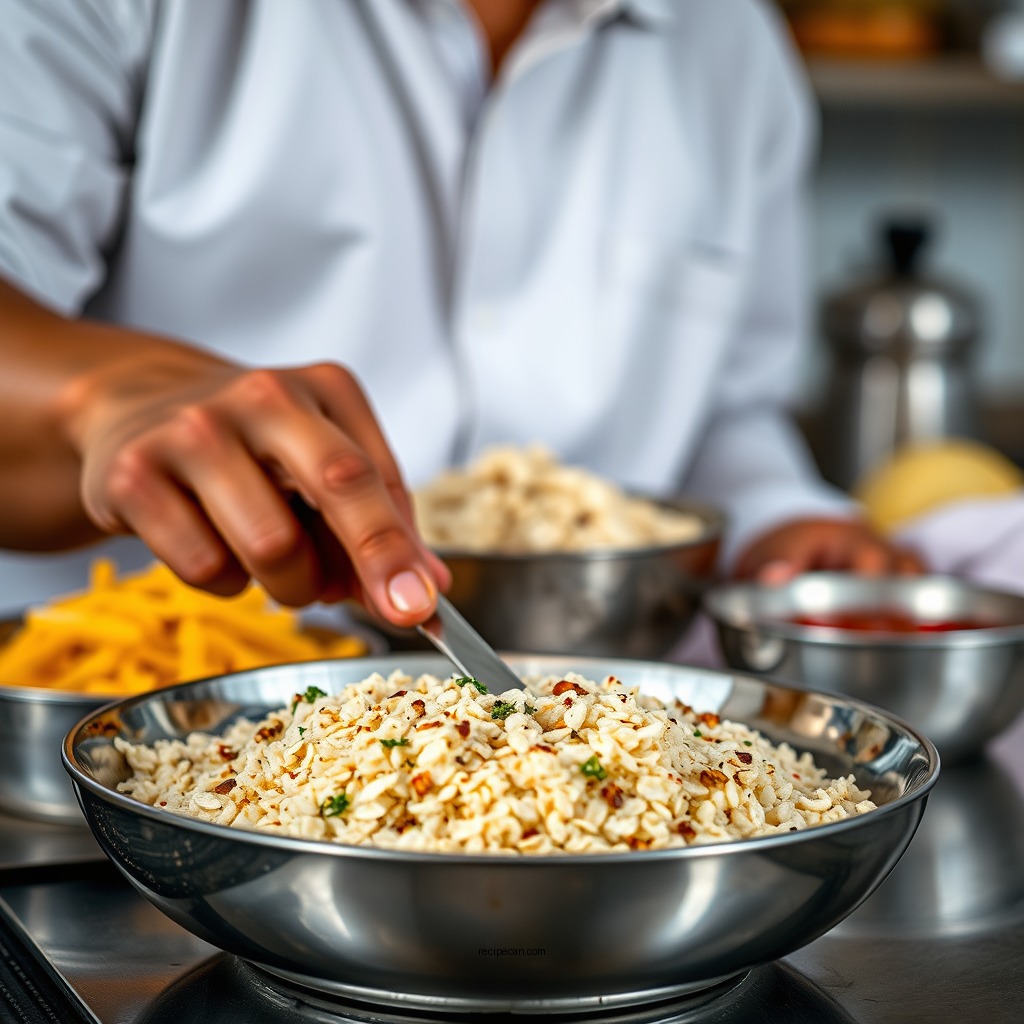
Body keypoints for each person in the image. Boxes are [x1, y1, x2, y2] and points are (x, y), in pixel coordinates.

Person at [0, 0, 922, 629]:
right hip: (140, 705)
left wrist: (777, 517)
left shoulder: (730, 41)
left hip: (576, 716)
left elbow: (724, 405)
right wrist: (98, 400)